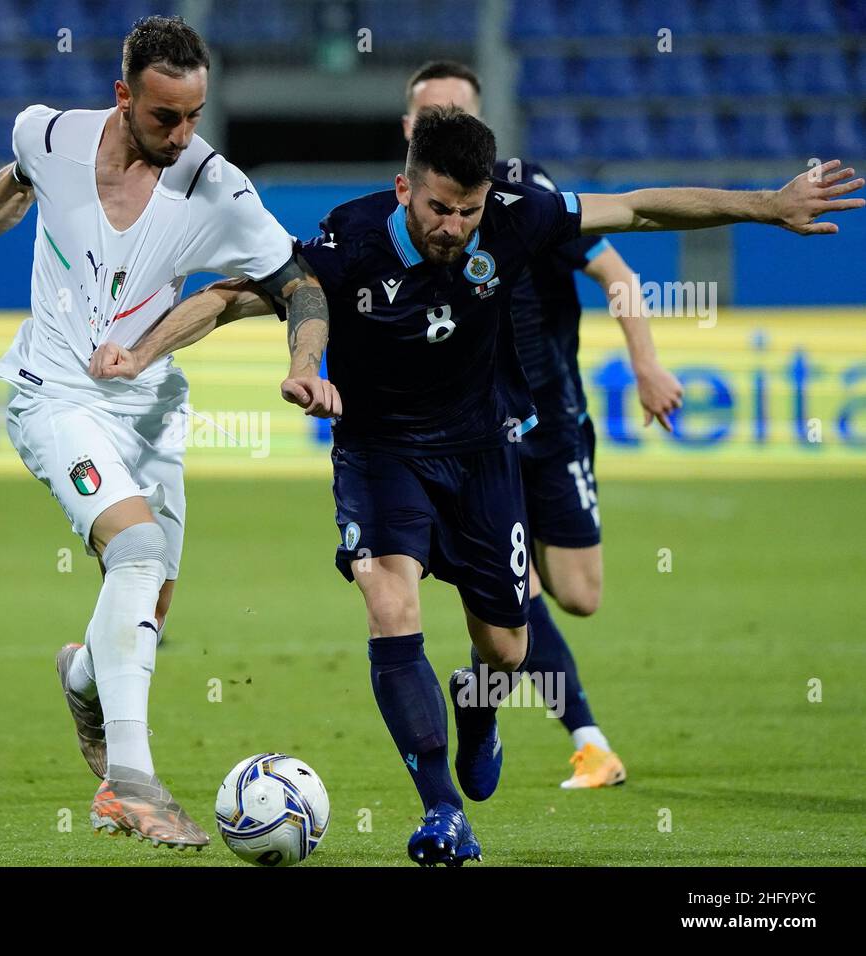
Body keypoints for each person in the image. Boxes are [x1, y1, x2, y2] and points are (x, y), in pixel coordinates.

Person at [90, 105, 862, 864]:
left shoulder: (517, 216)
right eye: (438, 208)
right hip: (380, 455)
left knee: (506, 647)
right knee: (390, 604)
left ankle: (479, 709)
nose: (453, 226)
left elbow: (635, 210)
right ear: (403, 189)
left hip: (486, 455)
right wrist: (157, 352)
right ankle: (442, 813)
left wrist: (767, 205)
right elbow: (241, 296)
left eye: (468, 210)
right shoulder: (349, 237)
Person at [0, 15, 338, 851]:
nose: (184, 133)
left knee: (150, 604)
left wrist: (308, 360)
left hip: (150, 406)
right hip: (53, 392)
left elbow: (300, 283)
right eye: (166, 116)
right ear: (123, 96)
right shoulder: (48, 133)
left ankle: (83, 677)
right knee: (136, 553)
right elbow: (17, 182)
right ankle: (131, 783)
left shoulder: (216, 187)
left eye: (197, 114)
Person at [403, 59, 687, 788]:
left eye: (454, 113)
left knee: (580, 593)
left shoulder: (529, 199)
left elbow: (619, 274)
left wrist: (647, 364)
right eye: (427, 116)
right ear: (408, 130)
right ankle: (587, 738)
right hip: (476, 441)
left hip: (554, 417)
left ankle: (482, 691)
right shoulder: (404, 219)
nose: (440, 125)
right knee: (513, 588)